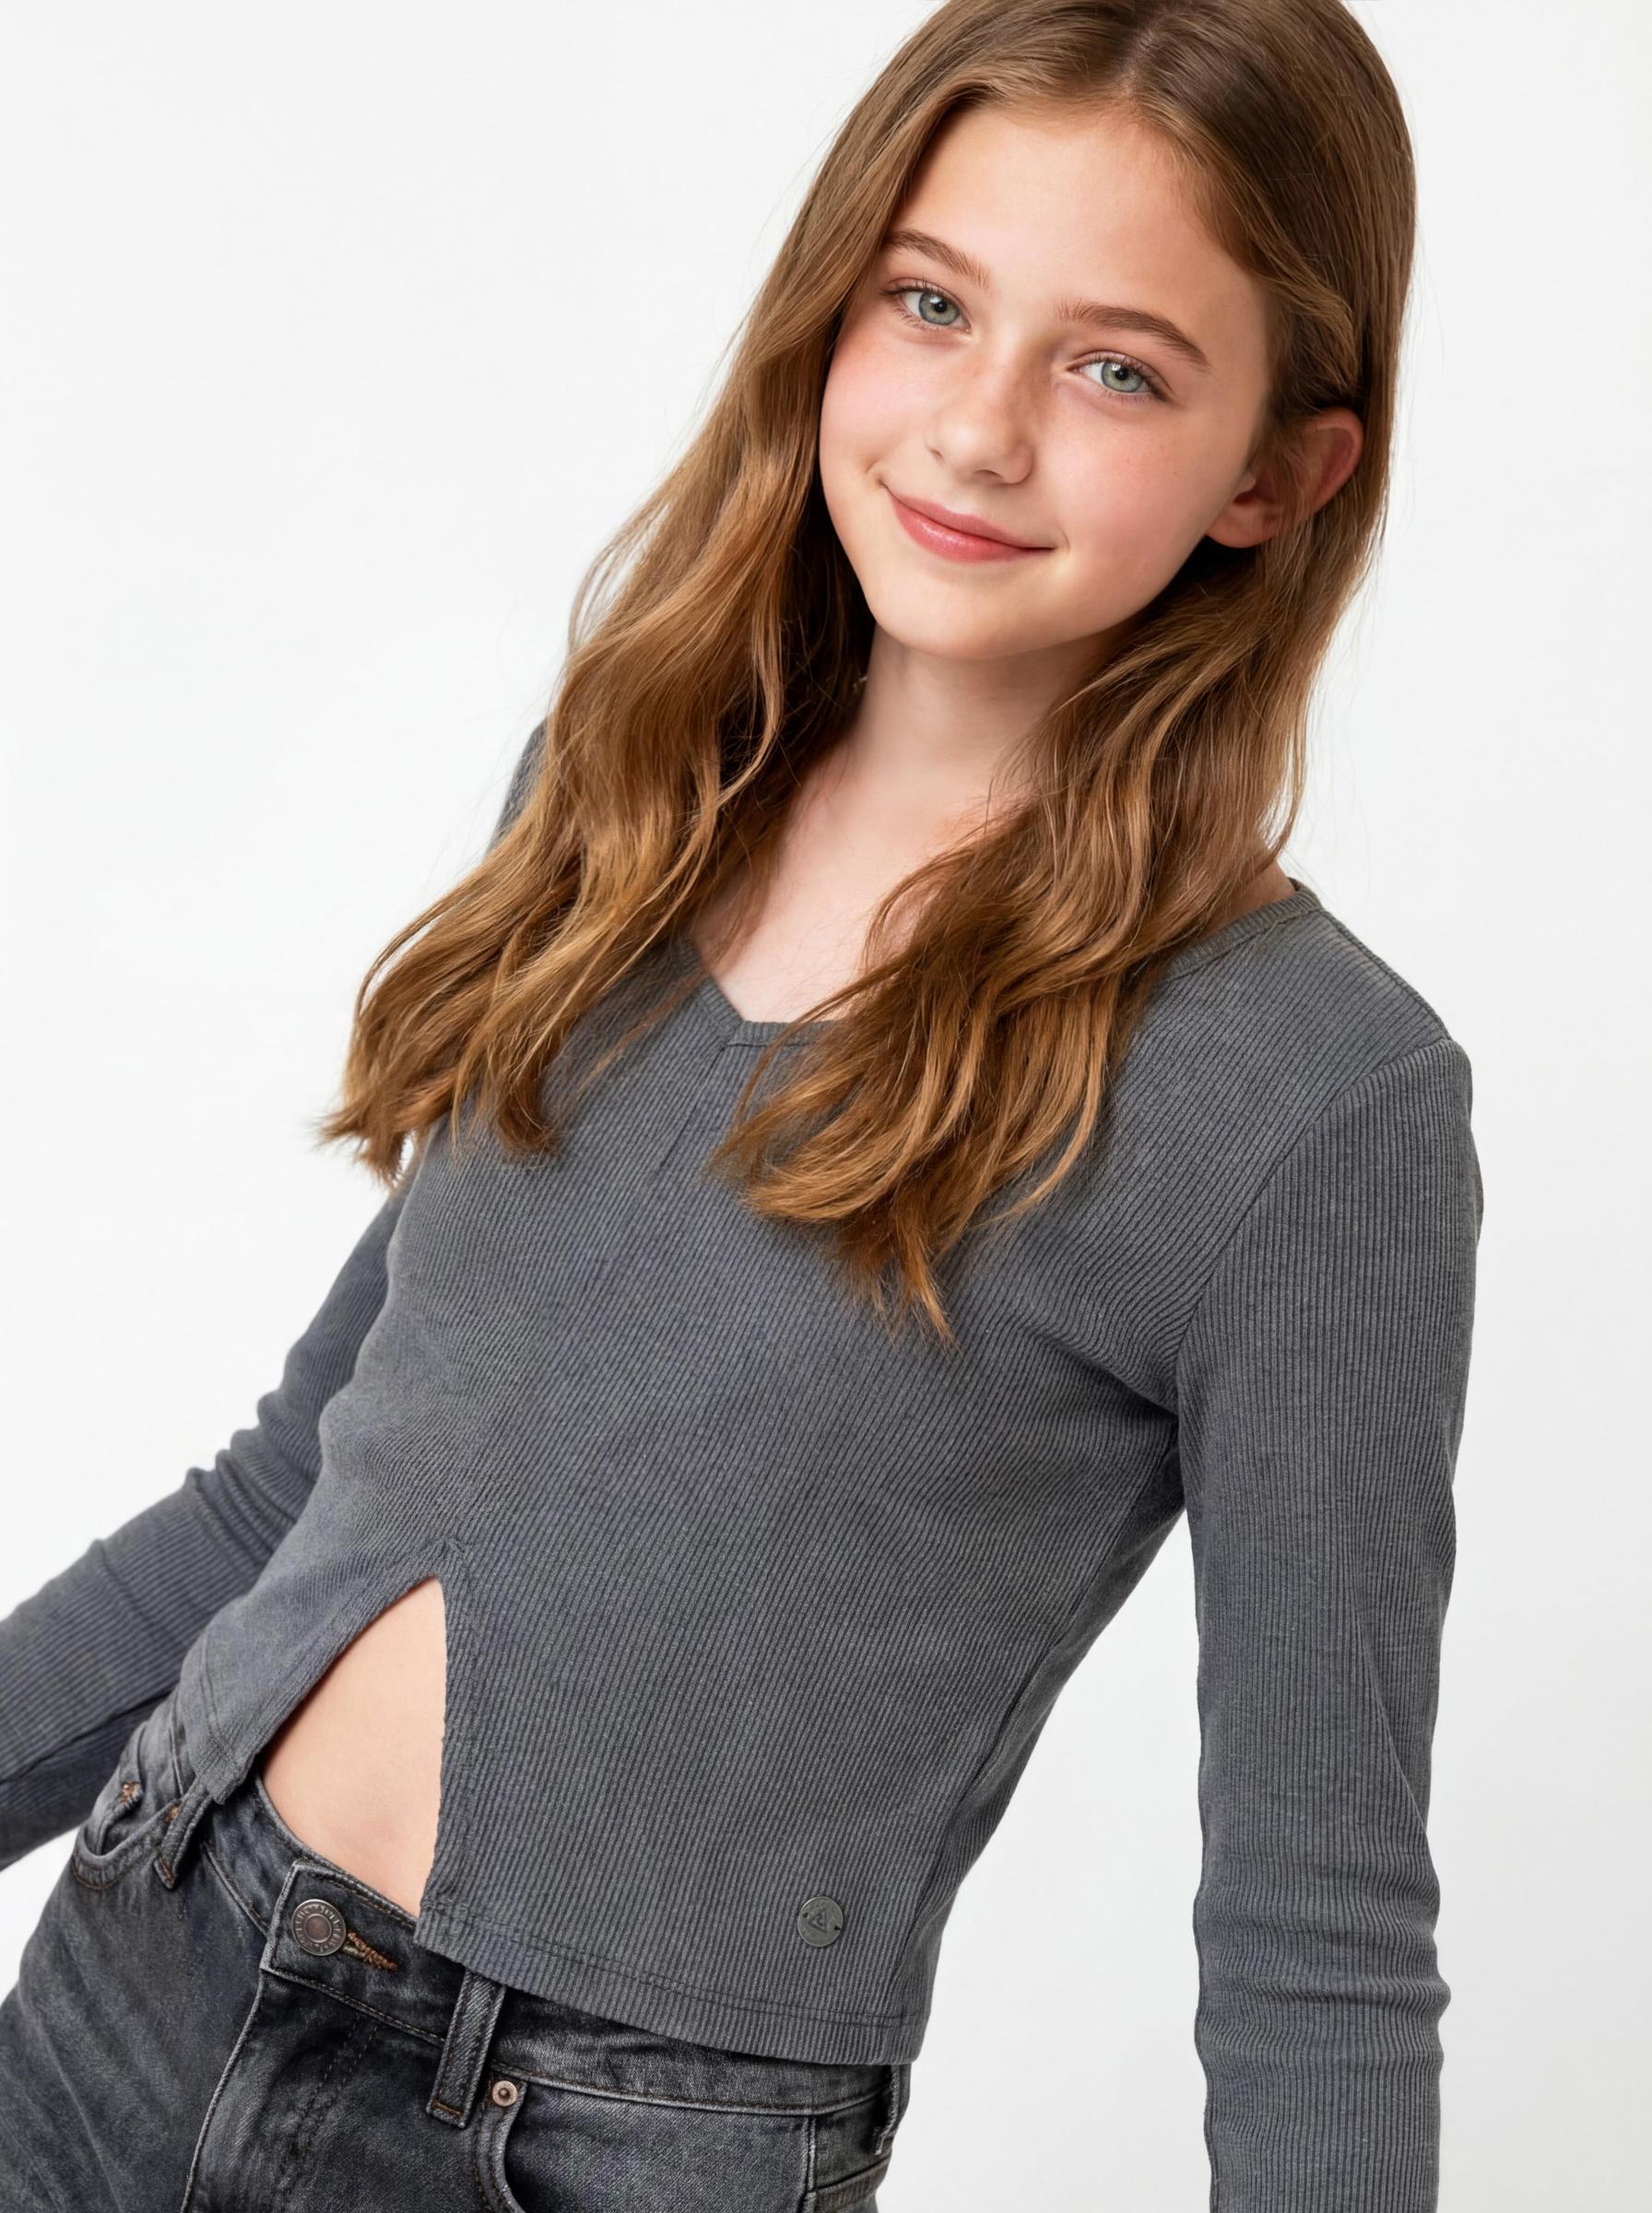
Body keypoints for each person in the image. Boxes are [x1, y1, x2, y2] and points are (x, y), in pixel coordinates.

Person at [0, 2, 1484, 2207]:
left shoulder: (1306, 1095)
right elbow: (294, 1494)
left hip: (601, 2152)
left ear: (1275, 472)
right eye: (929, 302)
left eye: (1114, 369)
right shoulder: (631, 793)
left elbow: (1313, 1931)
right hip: (136, 1973)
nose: (976, 428)